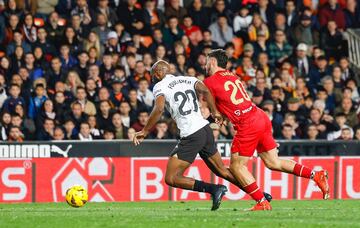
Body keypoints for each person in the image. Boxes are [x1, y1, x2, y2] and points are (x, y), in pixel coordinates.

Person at [132, 60, 271, 211]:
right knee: (222, 170)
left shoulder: (159, 86)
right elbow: (205, 91)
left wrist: (145, 131)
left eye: (153, 75)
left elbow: (159, 109)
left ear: (158, 73)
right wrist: (214, 112)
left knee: (171, 178)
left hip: (191, 133)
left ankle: (213, 189)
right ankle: (260, 195)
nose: (152, 78)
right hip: (205, 129)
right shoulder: (188, 79)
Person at [203, 49, 330, 211]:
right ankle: (316, 175)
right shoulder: (232, 76)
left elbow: (208, 108)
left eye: (207, 61)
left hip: (247, 123)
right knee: (273, 162)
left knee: (236, 167)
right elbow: (231, 100)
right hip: (259, 116)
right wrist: (223, 114)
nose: (205, 65)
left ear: (213, 62)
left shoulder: (209, 82)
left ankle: (262, 202)